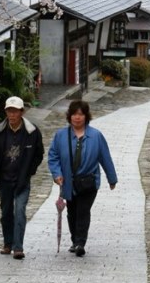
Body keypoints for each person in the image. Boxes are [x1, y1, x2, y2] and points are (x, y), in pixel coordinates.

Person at [48, 98, 117, 257]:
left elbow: (105, 157)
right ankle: (74, 240)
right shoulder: (61, 135)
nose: (77, 117)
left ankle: (80, 242)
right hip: (69, 182)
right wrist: (57, 174)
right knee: (72, 212)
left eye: (80, 114)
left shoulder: (96, 136)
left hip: (89, 181)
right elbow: (53, 156)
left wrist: (112, 179)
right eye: (74, 114)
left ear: (86, 116)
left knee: (83, 211)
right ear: (69, 116)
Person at [0, 96, 44, 260]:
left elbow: (38, 155)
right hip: (3, 179)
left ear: (21, 112)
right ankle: (7, 243)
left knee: (19, 211)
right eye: (9, 111)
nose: (12, 115)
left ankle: (18, 247)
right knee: (6, 213)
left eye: (15, 111)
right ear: (5, 112)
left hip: (22, 179)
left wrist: (29, 172)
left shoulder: (32, 132)